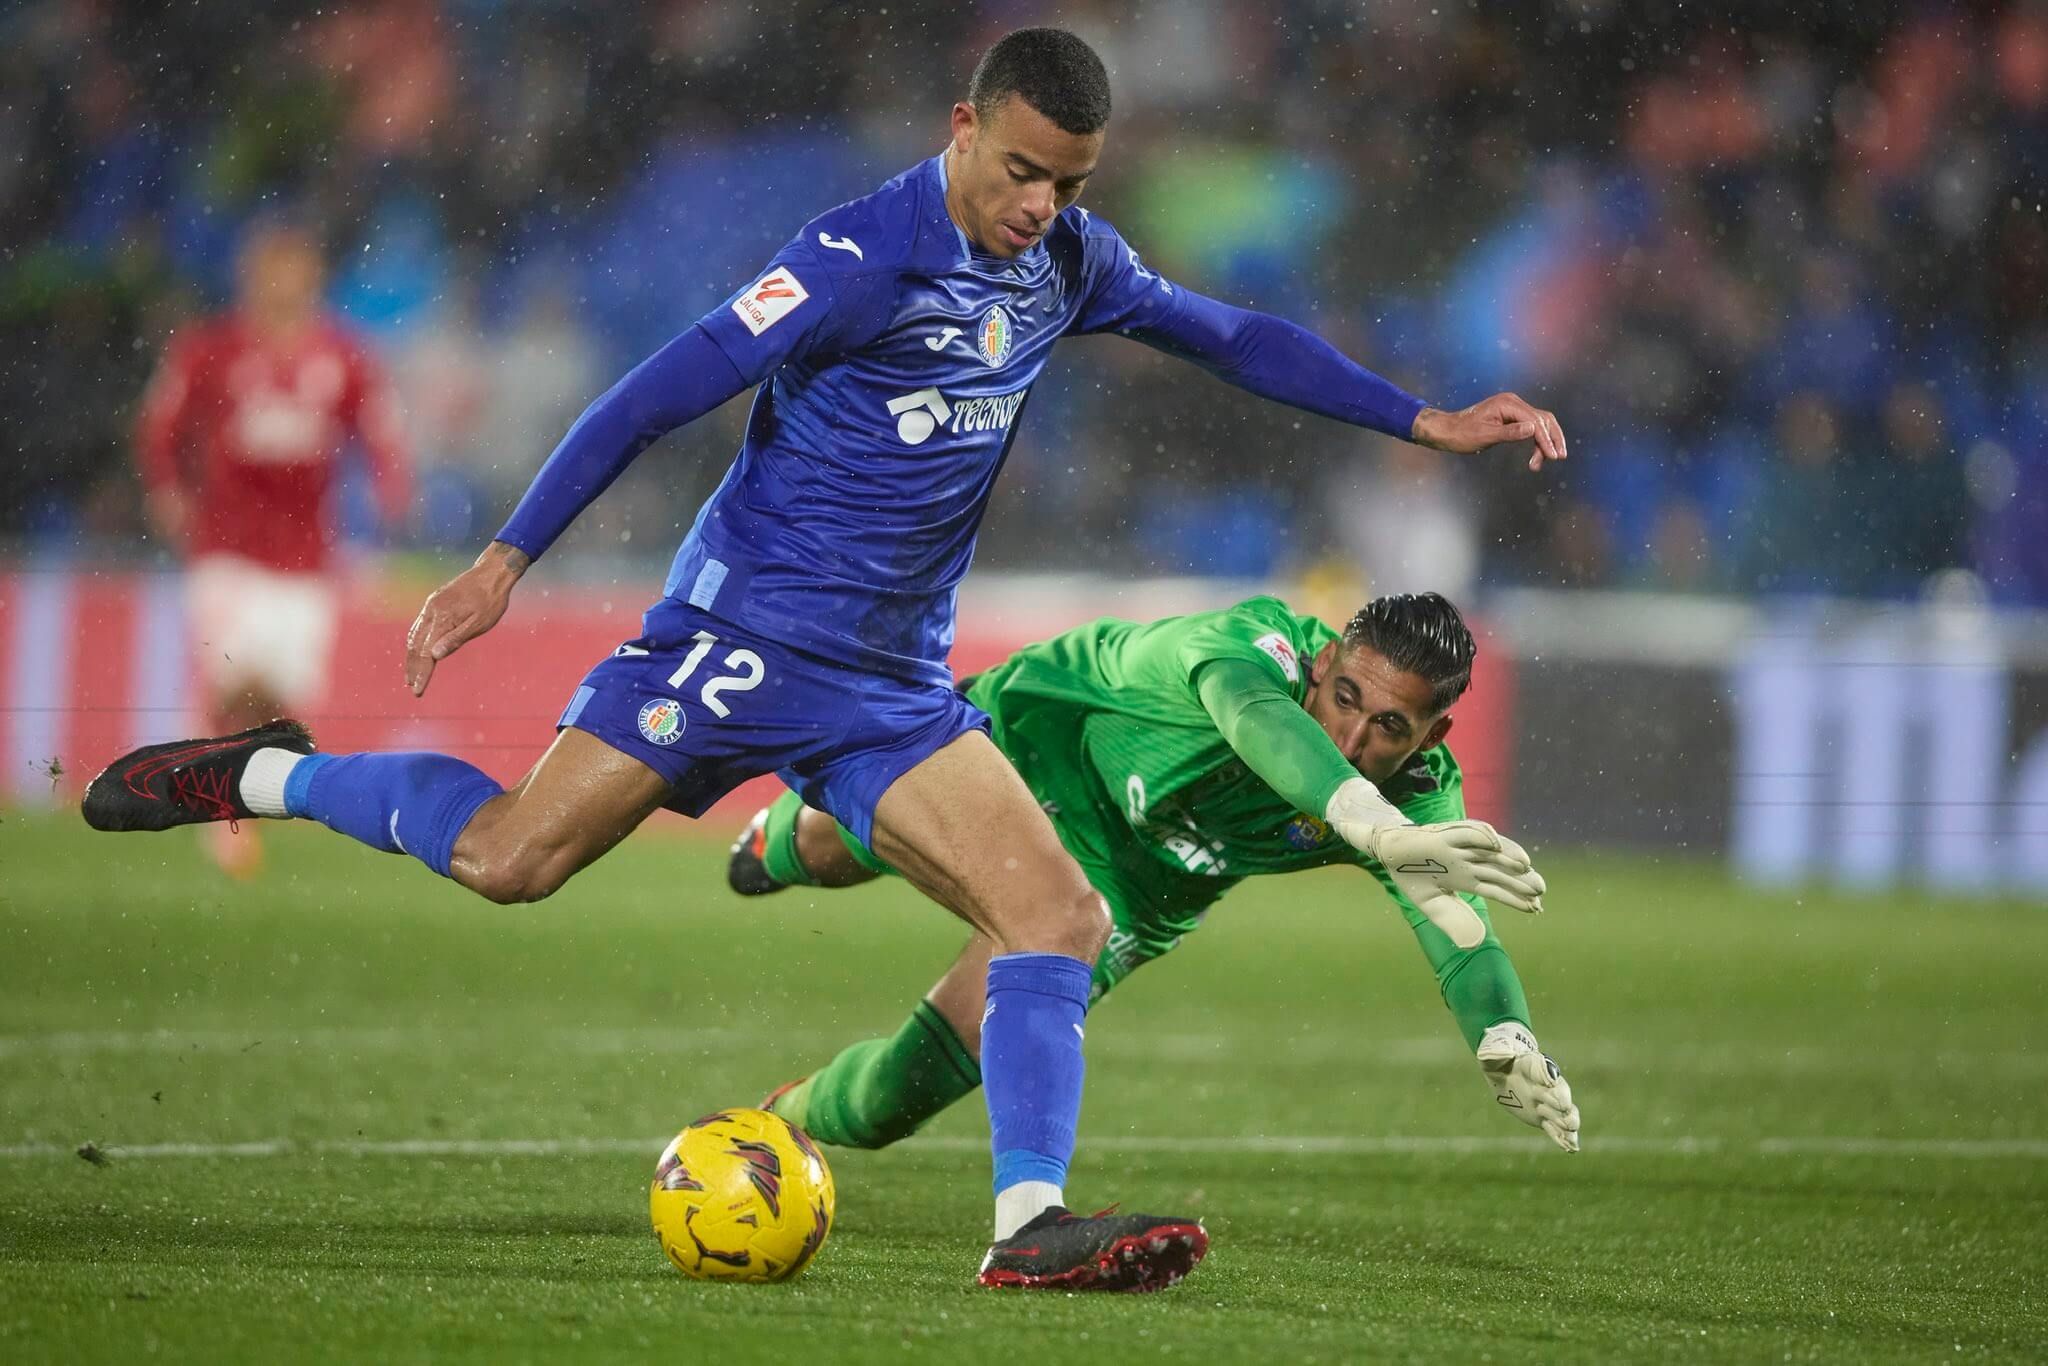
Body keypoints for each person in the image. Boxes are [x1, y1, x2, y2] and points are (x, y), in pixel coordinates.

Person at [84, 29, 1565, 1291]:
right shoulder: (858, 255)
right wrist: (505, 558)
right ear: (962, 130)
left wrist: (1421, 419)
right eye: (1023, 171)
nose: (1043, 207)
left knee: (1055, 917)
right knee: (509, 859)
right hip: (742, 637)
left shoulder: (1068, 266)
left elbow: (1232, 334)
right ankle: (259, 769)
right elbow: (658, 390)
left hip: (890, 684)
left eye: (1072, 184)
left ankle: (1029, 1226)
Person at [734, 592, 1580, 1159]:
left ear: (1431, 739)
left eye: (1391, 726)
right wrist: (1371, 820)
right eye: (1346, 697)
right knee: (830, 846)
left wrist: (1505, 1033)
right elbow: (1257, 724)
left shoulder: (1423, 802)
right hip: (1034, 746)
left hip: (1128, 888)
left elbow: (1461, 933)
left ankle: (768, 1127)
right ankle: (777, 839)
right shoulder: (1249, 650)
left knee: (895, 1099)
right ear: (1323, 665)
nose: (1351, 738)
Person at [133, 217, 411, 877]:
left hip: (306, 557)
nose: (283, 283)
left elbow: (377, 429)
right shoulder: (209, 350)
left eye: (295, 270)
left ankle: (236, 793)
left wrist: (390, 487)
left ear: (313, 278)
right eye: (271, 270)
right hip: (227, 546)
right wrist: (167, 488)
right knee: (232, 677)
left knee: (286, 700)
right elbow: (159, 426)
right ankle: (212, 810)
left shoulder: (342, 355)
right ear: (250, 277)